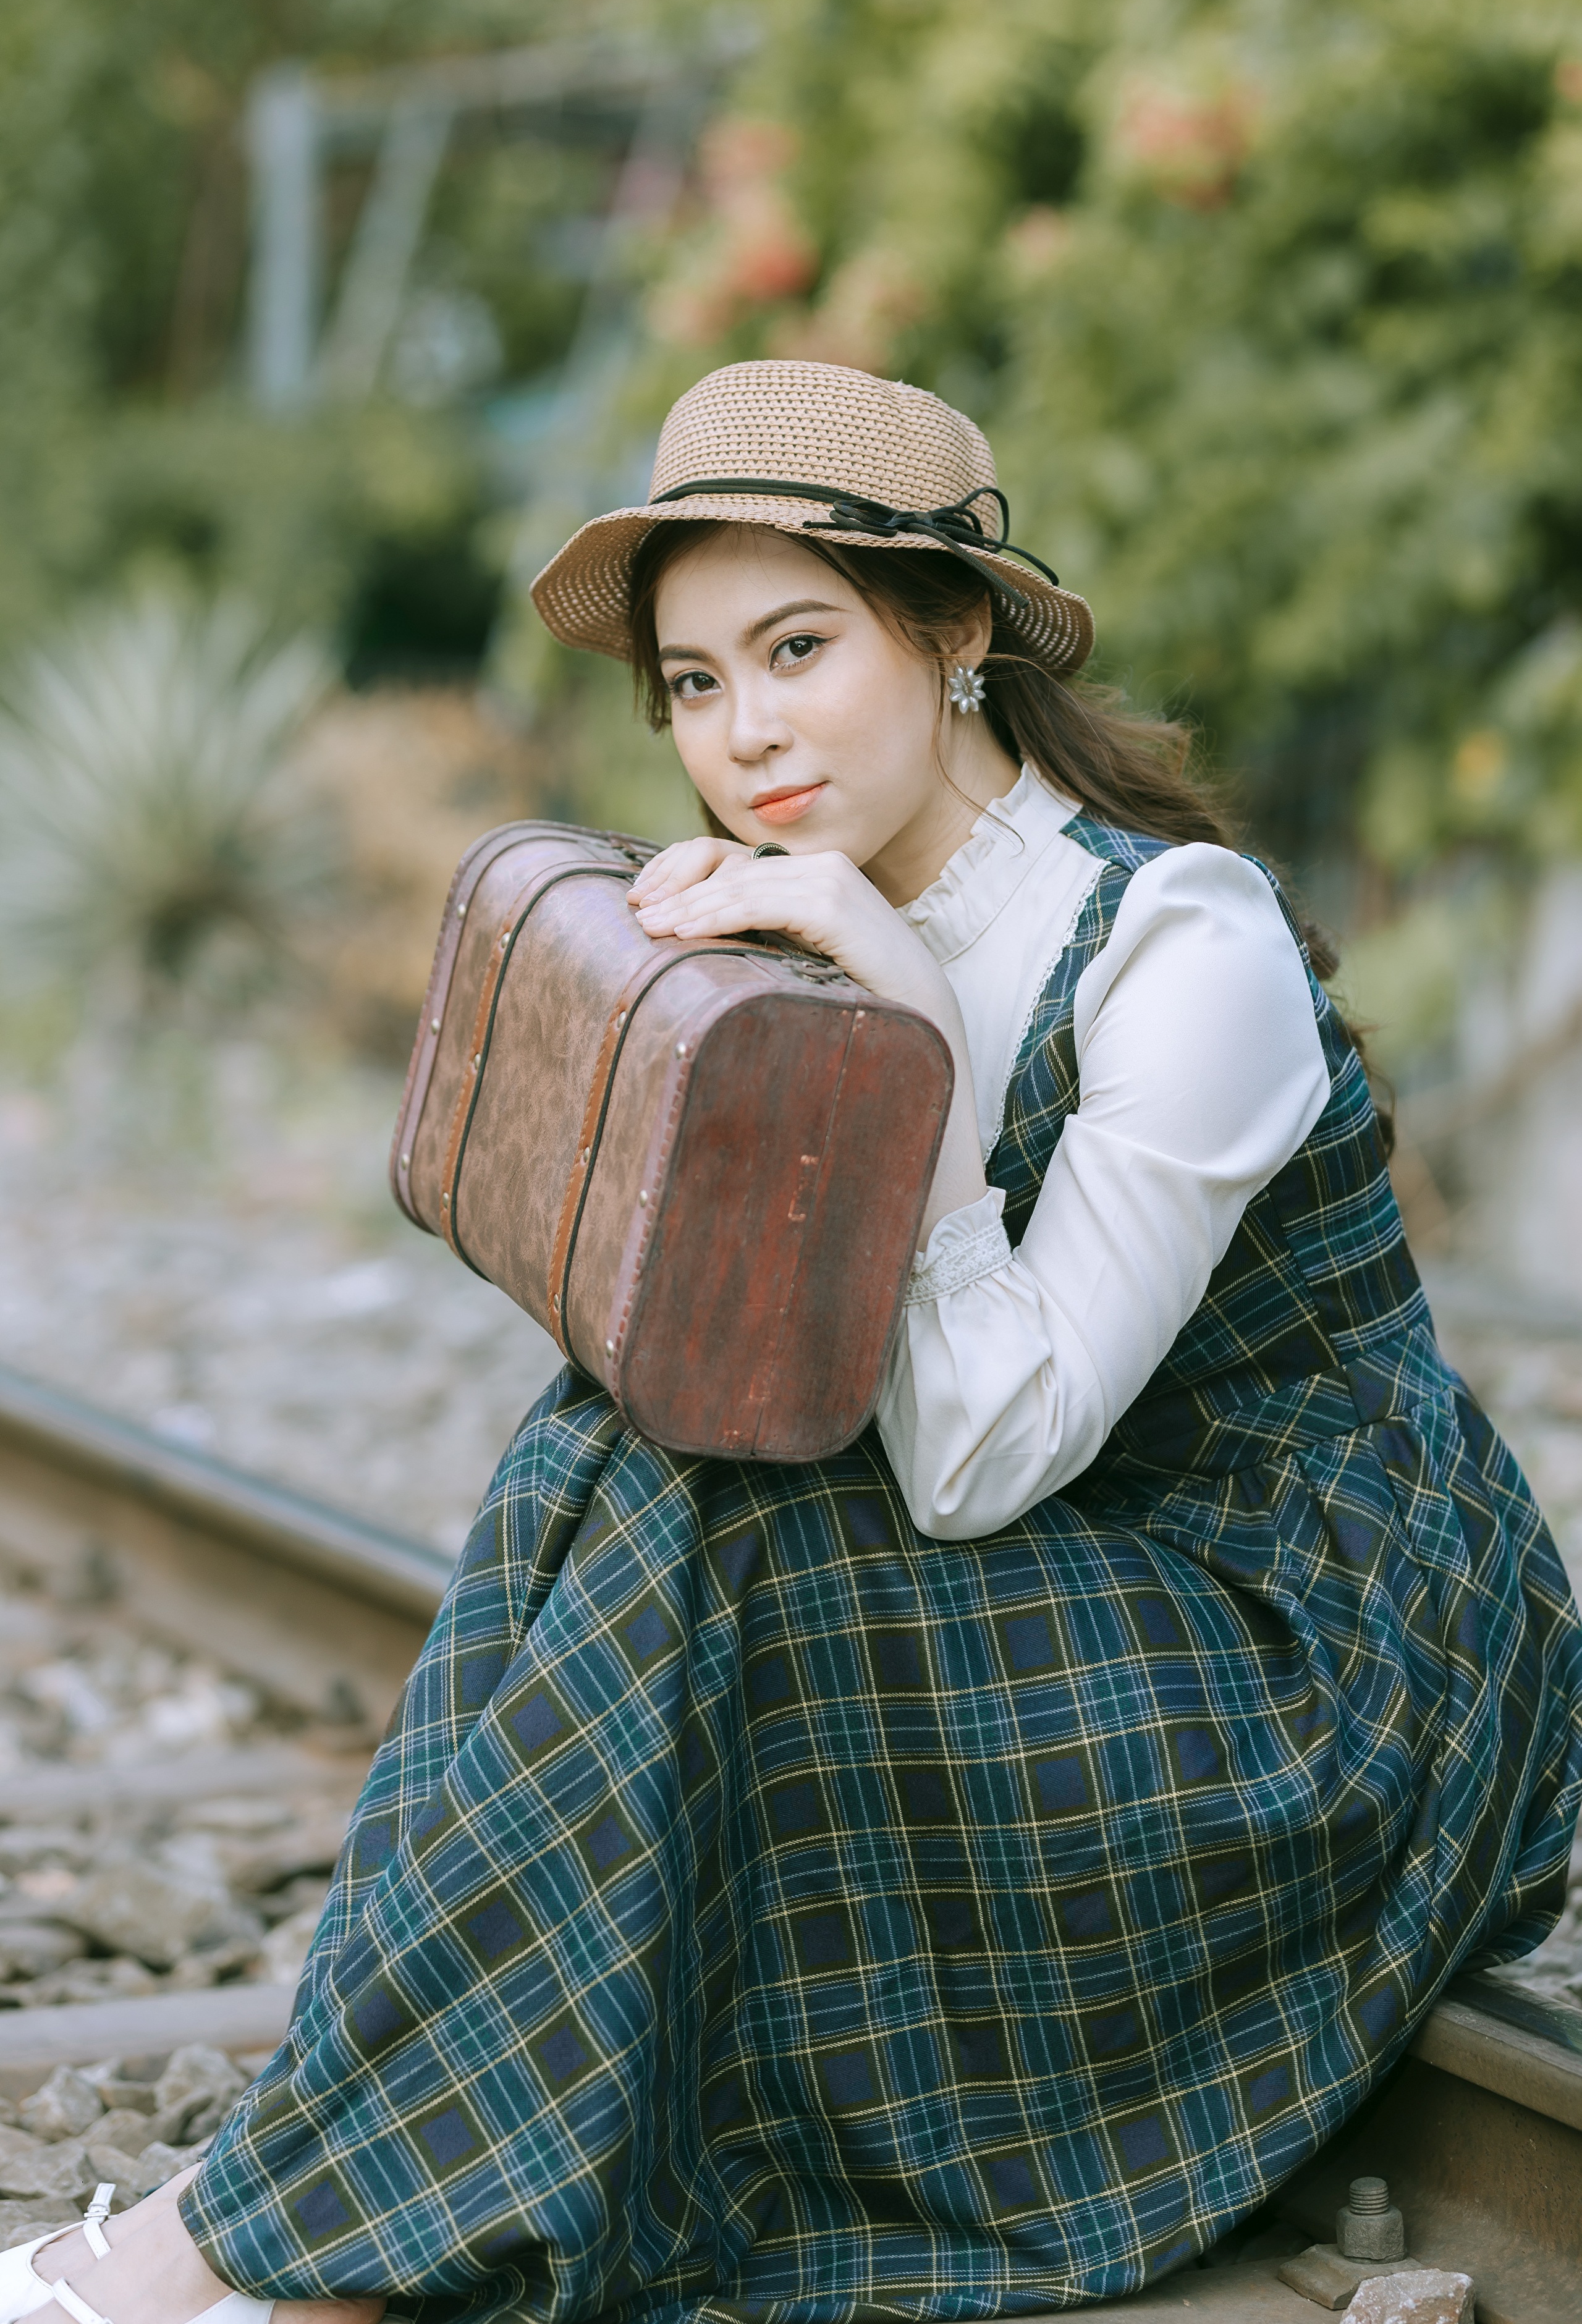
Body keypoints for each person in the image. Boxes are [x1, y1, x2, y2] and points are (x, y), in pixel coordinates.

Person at [10, 359, 1579, 2324]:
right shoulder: (791, 923)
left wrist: (899, 1046)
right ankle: (318, 2220)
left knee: (727, 1515)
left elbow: (984, 1451)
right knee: (617, 1443)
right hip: (1088, 1580)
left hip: (1313, 1659)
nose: (743, 732)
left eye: (796, 646)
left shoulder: (1187, 946)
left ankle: (260, 2252)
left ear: (953, 638)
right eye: (690, 682)